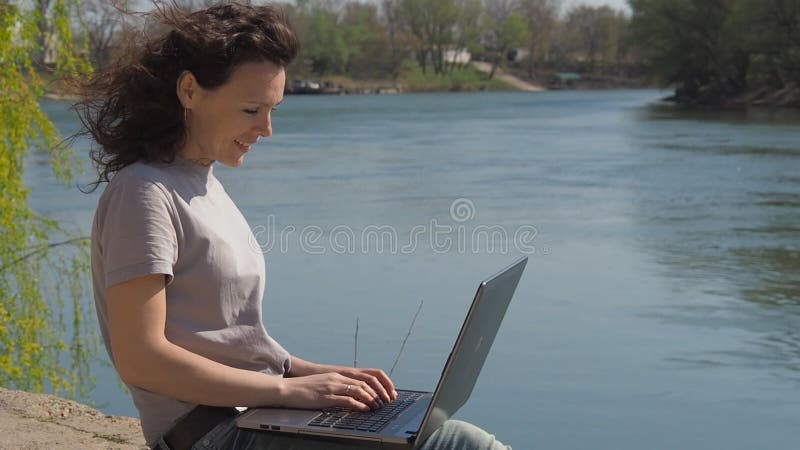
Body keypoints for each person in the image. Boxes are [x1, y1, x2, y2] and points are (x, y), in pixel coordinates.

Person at [77, 2, 511, 449]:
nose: (266, 129)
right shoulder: (144, 193)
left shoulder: (203, 184)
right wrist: (289, 392)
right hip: (215, 437)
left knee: (440, 432)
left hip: (256, 416)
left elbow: (231, 343)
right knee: (462, 444)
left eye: (273, 109)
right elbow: (141, 359)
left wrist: (319, 375)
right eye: (250, 110)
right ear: (189, 90)